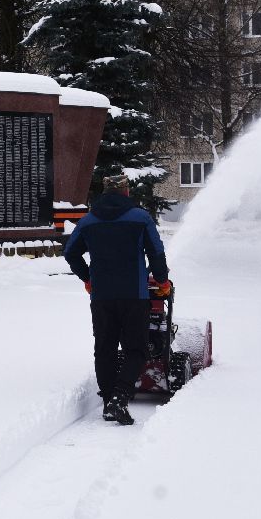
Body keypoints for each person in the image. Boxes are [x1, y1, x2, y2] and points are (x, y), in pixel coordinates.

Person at [62, 172, 170, 425]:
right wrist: (162, 281)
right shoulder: (141, 217)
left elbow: (70, 253)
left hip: (102, 296)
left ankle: (109, 399)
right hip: (135, 294)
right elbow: (156, 251)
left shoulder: (88, 221)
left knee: (105, 348)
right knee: (137, 348)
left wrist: (88, 278)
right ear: (126, 192)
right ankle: (119, 398)